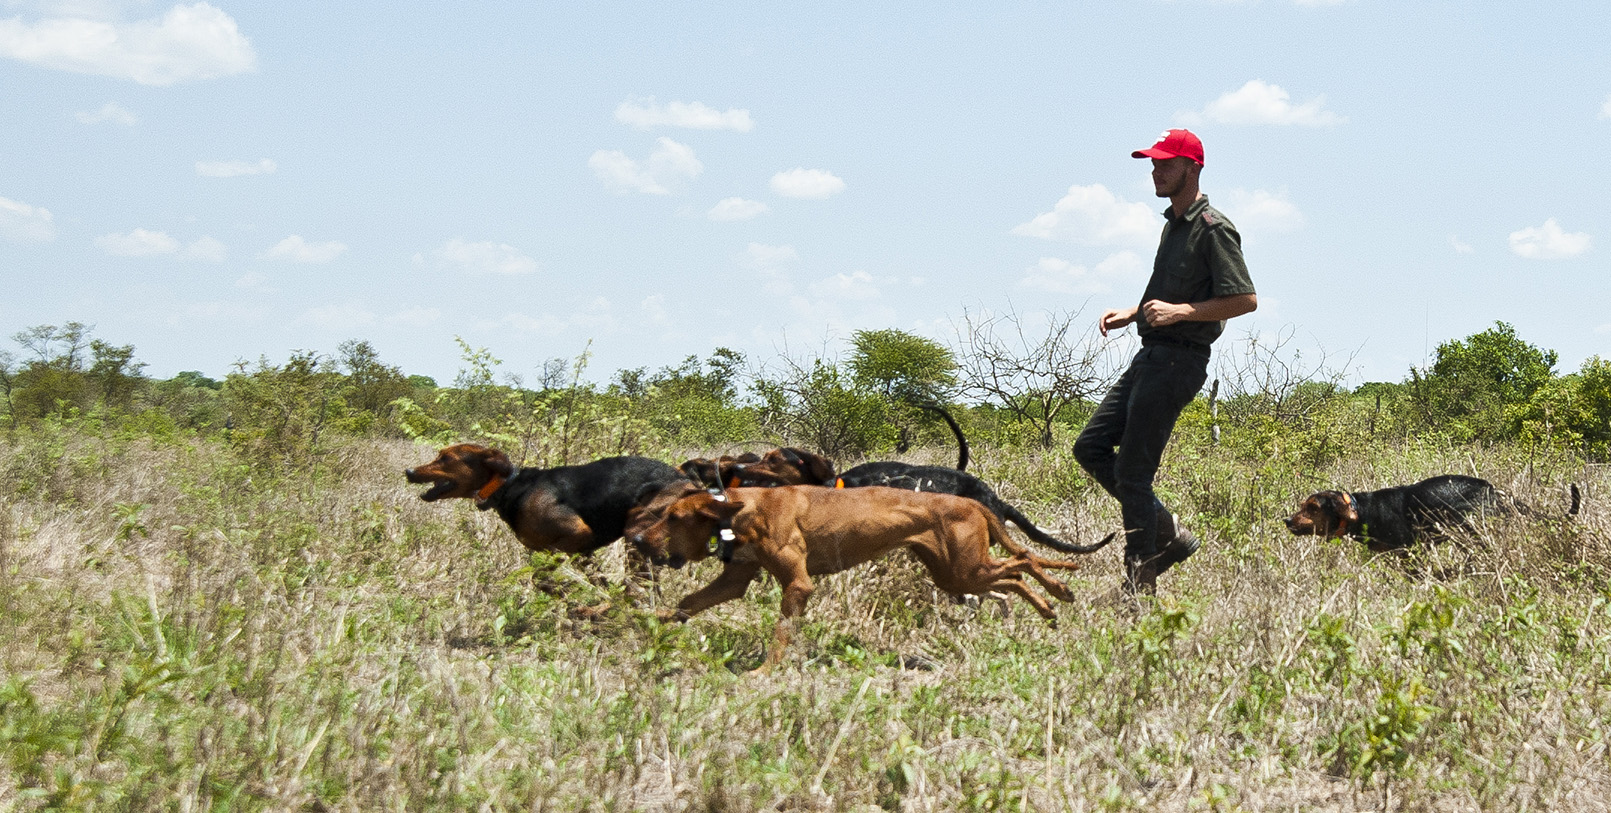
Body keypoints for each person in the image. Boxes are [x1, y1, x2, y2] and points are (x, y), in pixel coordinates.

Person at [1073, 129, 1257, 595]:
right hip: (1151, 354)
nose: (1155, 171)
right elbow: (1170, 288)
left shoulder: (1214, 227)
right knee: (1090, 447)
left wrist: (1181, 314)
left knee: (1133, 473)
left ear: (1192, 168)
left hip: (1181, 361)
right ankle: (1167, 532)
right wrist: (1136, 311)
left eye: (1165, 164)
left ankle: (1141, 584)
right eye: (1153, 164)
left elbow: (1245, 299)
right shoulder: (1172, 225)